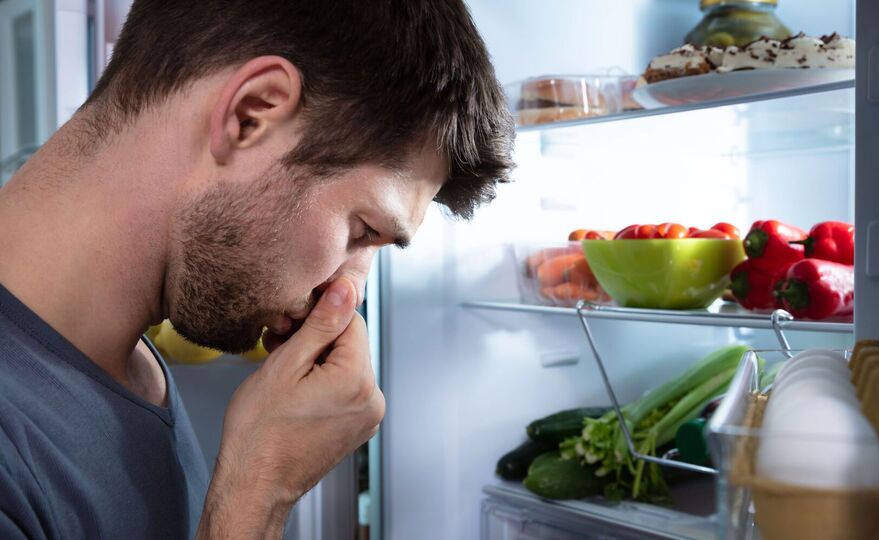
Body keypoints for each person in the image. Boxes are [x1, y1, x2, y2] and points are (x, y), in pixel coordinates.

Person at [0, 0, 514, 538]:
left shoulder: (130, 361)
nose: (347, 291)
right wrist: (260, 491)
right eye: (362, 230)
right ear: (251, 115)